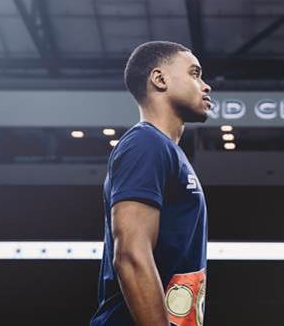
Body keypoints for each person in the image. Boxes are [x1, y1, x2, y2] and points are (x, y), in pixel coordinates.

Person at [91, 41, 212, 326]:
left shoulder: (166, 150)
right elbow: (131, 256)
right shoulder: (145, 143)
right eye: (195, 74)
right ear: (160, 79)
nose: (205, 85)